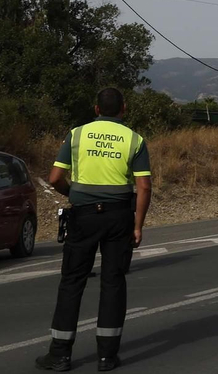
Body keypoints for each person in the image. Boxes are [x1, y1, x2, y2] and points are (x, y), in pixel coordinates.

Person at [35, 88, 152, 372]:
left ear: (96, 109)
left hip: (83, 217)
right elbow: (144, 186)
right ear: (123, 109)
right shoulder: (134, 140)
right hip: (118, 217)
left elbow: (54, 178)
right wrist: (137, 225)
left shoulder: (76, 135)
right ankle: (107, 357)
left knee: (72, 282)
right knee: (113, 282)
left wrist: (73, 193)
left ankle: (60, 355)